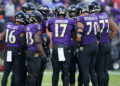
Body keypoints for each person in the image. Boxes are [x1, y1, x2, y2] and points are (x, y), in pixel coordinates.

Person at [89, 1, 119, 86]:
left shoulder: (93, 18)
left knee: (99, 70)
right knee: (105, 70)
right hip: (107, 44)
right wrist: (108, 39)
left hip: (99, 44)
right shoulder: (105, 16)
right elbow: (115, 29)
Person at [46, 4, 75, 86]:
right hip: (66, 47)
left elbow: (49, 29)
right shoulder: (71, 21)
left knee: (55, 72)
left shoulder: (51, 21)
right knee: (66, 72)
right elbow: (73, 32)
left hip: (56, 47)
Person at [76, 2, 100, 86]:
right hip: (94, 46)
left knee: (84, 71)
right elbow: (98, 32)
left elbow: (79, 36)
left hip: (86, 46)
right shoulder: (94, 17)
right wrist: (95, 43)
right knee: (92, 70)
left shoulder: (80, 18)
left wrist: (78, 46)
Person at [0, 11, 26, 86]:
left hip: (8, 50)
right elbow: (22, 43)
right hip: (17, 51)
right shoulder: (21, 28)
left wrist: (6, 43)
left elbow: (1, 37)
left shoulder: (8, 25)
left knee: (6, 73)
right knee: (16, 72)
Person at [25, 10, 48, 86]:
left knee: (30, 74)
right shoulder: (37, 26)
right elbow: (37, 41)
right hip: (35, 52)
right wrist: (44, 55)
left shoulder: (27, 26)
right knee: (35, 75)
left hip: (28, 51)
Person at [37, 4, 51, 86]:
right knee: (40, 70)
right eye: (47, 13)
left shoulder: (35, 22)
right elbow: (49, 35)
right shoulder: (45, 22)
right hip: (43, 47)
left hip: (34, 47)